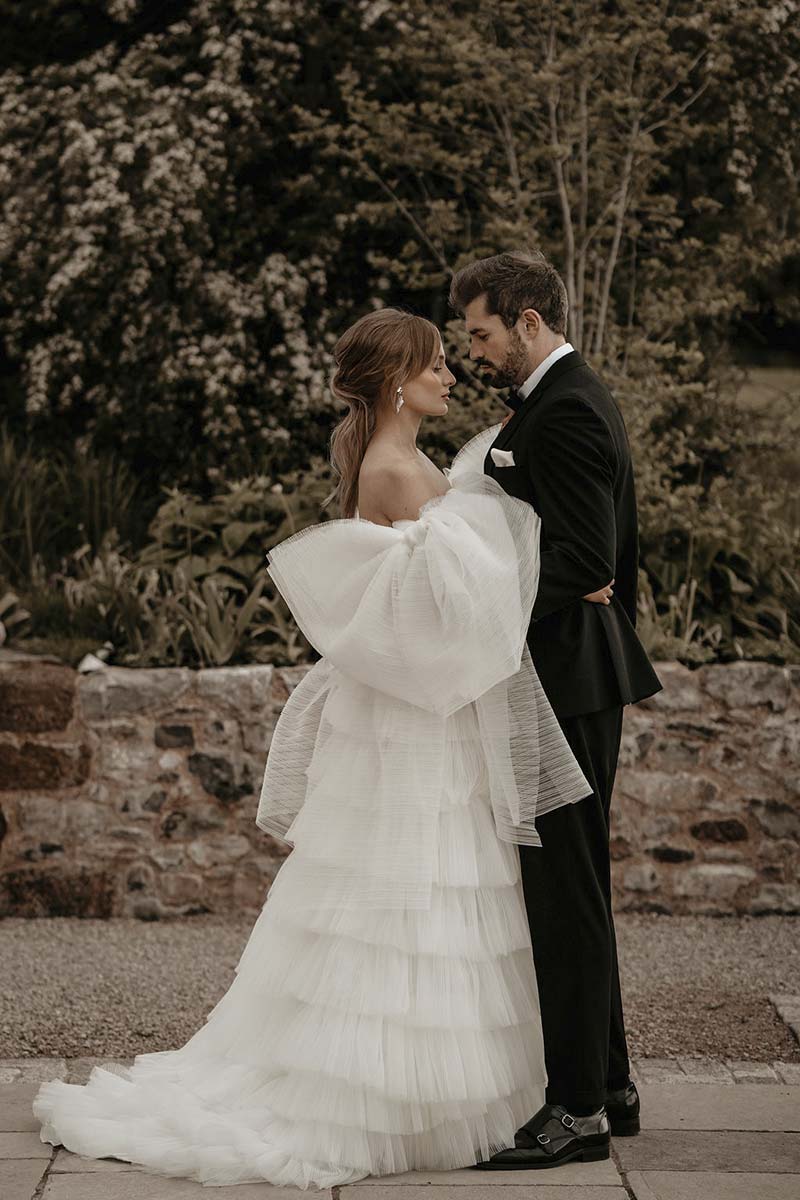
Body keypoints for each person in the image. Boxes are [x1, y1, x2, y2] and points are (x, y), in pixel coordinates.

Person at [32, 307, 604, 1189]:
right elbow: (463, 601)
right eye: (437, 364)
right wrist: (556, 572)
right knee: (410, 891)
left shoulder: (404, 463)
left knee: (420, 887)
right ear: (395, 382)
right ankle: (381, 1094)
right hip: (418, 720)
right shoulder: (396, 471)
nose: (451, 375)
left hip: (412, 709)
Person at [449, 251, 662, 1169]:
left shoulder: (567, 406)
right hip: (574, 669)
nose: (473, 351)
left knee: (564, 892)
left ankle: (575, 1108)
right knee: (578, 886)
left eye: (483, 333)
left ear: (529, 321)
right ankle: (608, 1082)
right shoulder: (561, 397)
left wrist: (474, 602)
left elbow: (591, 560)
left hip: (565, 680)